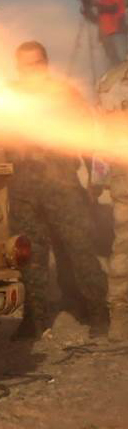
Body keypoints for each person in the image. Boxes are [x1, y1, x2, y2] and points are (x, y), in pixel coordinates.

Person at [7, 41, 109, 340]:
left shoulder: (65, 95)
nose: (32, 69)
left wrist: (95, 179)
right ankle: (34, 319)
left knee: (79, 248)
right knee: (29, 255)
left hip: (62, 185)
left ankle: (97, 313)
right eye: (26, 65)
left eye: (37, 63)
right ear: (18, 67)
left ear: (46, 63)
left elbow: (89, 138)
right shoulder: (8, 97)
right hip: (23, 188)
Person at [96, 60, 128, 340]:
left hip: (122, 174)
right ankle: (119, 316)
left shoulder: (110, 80)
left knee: (123, 247)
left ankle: (119, 317)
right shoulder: (112, 81)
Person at [91, 0, 127, 67]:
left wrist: (98, 4)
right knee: (114, 64)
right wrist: (87, 12)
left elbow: (115, 7)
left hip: (117, 30)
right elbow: (97, 19)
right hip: (106, 35)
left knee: (123, 61)